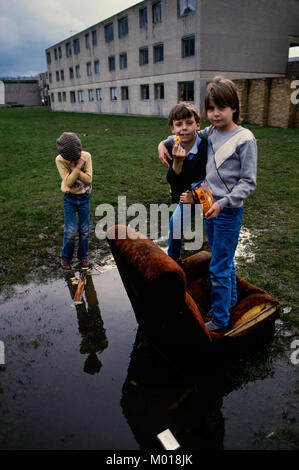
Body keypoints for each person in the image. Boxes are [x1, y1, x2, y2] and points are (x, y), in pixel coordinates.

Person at [158, 76, 257, 332]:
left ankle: (221, 320)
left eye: (221, 108)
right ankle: (231, 300)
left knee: (219, 266)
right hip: (208, 207)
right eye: (210, 108)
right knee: (223, 260)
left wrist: (223, 204)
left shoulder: (245, 139)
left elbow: (248, 183)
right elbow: (182, 134)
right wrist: (163, 144)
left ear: (234, 107)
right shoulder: (210, 132)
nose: (215, 114)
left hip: (227, 211)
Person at [165, 102, 207, 264]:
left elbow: (214, 178)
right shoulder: (173, 147)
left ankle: (219, 262)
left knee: (213, 229)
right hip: (187, 197)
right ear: (172, 129)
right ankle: (173, 261)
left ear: (197, 124)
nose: (184, 128)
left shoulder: (206, 146)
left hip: (211, 197)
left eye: (189, 123)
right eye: (179, 124)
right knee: (175, 224)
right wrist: (177, 162)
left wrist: (196, 197)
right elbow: (172, 181)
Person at [55, 132, 93, 270]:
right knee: (70, 231)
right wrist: (77, 167)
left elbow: (88, 179)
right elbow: (69, 182)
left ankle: (83, 256)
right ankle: (66, 258)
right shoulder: (60, 160)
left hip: (84, 198)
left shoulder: (86, 156)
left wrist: (75, 169)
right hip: (69, 199)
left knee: (84, 230)